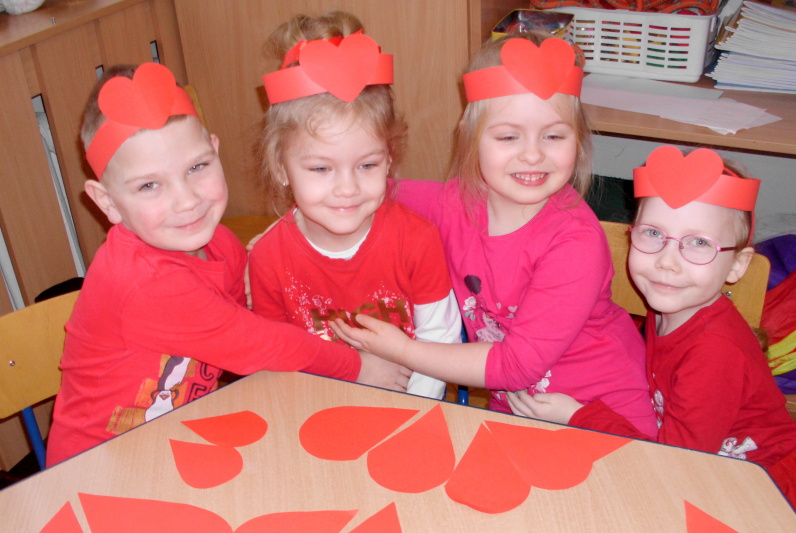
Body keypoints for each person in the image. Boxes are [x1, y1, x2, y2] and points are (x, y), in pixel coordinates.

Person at [46, 62, 409, 467]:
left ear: (215, 152)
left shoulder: (221, 244)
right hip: (94, 467)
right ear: (107, 202)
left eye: (197, 167)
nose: (187, 200)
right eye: (149, 185)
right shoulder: (147, 283)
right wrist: (356, 367)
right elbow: (262, 345)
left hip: (175, 443)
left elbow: (246, 330)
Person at [330, 32, 657, 437]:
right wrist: (288, 230)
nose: (533, 154)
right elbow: (365, 193)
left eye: (554, 136)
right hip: (518, 415)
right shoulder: (455, 203)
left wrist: (402, 351)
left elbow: (516, 366)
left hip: (607, 420)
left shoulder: (576, 242)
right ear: (470, 135)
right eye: (508, 136)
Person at [506, 145, 796, 513]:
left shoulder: (714, 353)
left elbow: (673, 464)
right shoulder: (667, 308)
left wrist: (577, 416)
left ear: (737, 265)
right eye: (653, 234)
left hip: (767, 487)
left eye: (699, 243)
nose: (666, 262)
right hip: (711, 466)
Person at [250, 12, 461, 399]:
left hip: (410, 404)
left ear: (389, 159)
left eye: (367, 165)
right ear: (281, 168)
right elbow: (275, 358)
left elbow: (439, 340)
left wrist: (413, 411)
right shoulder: (267, 258)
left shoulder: (417, 240)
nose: (347, 189)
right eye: (321, 168)